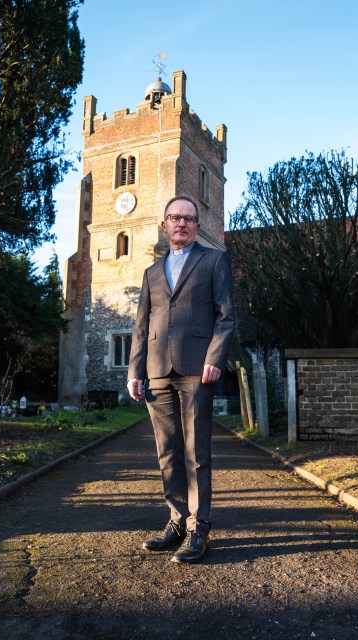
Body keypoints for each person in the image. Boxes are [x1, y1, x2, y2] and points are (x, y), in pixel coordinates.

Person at [127, 195, 236, 564]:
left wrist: (214, 359)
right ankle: (175, 523)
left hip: (196, 371)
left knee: (195, 455)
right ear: (165, 225)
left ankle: (198, 529)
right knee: (168, 454)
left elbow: (226, 317)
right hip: (157, 373)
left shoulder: (214, 260)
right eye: (174, 217)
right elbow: (141, 327)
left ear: (197, 226)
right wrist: (134, 371)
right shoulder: (151, 273)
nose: (181, 224)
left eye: (189, 219)